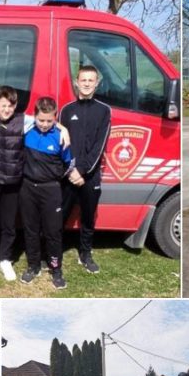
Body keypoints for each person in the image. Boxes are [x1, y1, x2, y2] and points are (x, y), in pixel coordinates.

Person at [61, 65, 112, 275]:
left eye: (91, 80)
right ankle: (54, 253)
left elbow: (99, 146)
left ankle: (86, 254)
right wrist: (71, 170)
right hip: (68, 175)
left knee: (88, 217)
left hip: (90, 176)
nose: (87, 84)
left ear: (97, 83)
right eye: (84, 80)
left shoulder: (104, 110)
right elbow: (62, 144)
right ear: (77, 82)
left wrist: (82, 171)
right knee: (60, 216)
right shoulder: (67, 110)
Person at [0, 86, 34, 282]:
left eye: (11, 106)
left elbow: (48, 120)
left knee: (9, 224)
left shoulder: (24, 121)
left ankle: (5, 259)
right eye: (3, 106)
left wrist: (63, 130)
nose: (7, 110)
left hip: (12, 181)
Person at [20, 96, 75, 289]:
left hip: (51, 190)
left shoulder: (60, 137)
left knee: (53, 232)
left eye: (49, 121)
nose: (44, 124)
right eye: (41, 120)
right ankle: (33, 266)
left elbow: (69, 164)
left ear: (55, 118)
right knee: (31, 230)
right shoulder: (27, 131)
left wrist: (54, 178)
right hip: (27, 188)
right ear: (34, 117)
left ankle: (56, 268)